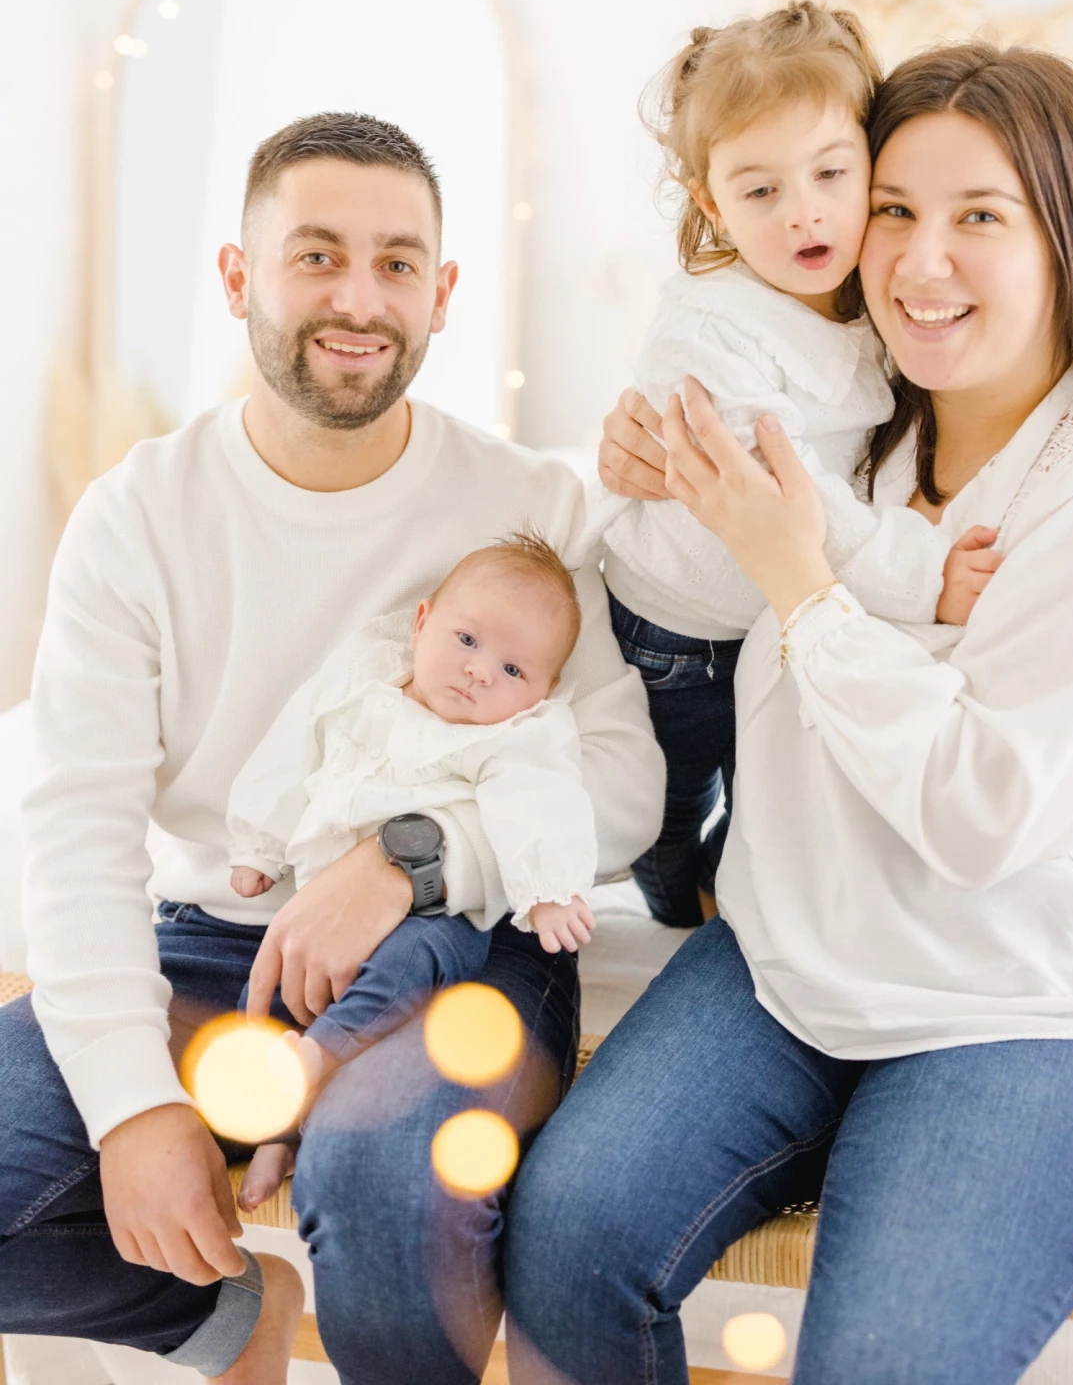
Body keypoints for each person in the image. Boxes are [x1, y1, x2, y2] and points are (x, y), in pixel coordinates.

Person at [504, 43, 1073, 1385]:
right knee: (565, 1238)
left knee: (880, 1366)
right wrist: (650, 478)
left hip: (1039, 1001)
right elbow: (672, 603)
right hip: (797, 959)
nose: (920, 260)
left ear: (1071, 239)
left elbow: (982, 813)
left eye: (979, 218)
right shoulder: (843, 427)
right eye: (894, 210)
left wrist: (801, 582)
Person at [0, 111, 663, 1385]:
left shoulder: (530, 509)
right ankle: (227, 1322)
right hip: (212, 942)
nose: (360, 299)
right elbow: (76, 838)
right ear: (238, 277)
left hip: (466, 956)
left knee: (378, 1164)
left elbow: (623, 792)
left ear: (444, 293)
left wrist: (408, 858)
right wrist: (136, 1109)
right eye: (316, 256)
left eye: (399, 263)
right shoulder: (137, 518)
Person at [599, 2, 999, 926]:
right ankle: (670, 888)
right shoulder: (711, 326)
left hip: (778, 614)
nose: (804, 212)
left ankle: (746, 903)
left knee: (771, 797)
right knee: (665, 800)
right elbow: (789, 498)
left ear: (871, 162)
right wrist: (924, 570)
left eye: (829, 172)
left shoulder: (876, 293)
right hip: (678, 631)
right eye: (760, 191)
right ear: (712, 205)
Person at [227, 532, 597, 1210]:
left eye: (515, 671)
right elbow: (294, 746)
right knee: (278, 977)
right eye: (467, 640)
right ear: (422, 622)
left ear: (544, 691)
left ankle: (319, 1057)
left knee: (417, 957)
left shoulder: (514, 737)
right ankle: (276, 1130)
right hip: (320, 901)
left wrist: (546, 890)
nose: (482, 671)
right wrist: (260, 841)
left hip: (432, 914)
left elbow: (541, 801)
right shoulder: (364, 681)